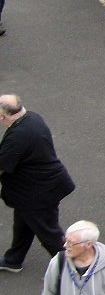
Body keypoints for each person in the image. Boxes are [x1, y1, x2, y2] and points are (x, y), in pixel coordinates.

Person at [0, 94, 75, 273]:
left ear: (3, 117)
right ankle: (13, 260)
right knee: (23, 223)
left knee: (49, 232)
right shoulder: (32, 118)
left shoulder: (18, 137)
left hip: (38, 192)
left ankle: (72, 269)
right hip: (40, 187)